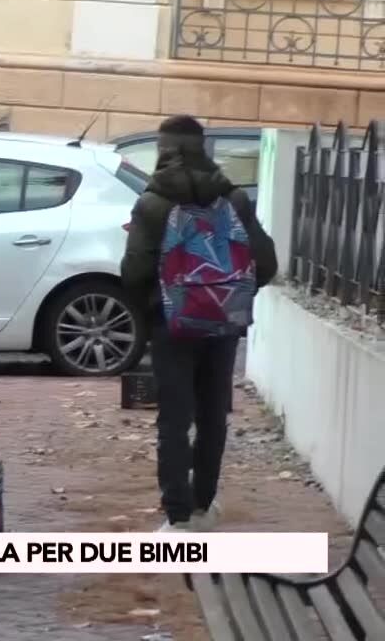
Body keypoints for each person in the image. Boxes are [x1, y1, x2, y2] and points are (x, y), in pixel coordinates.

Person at [120, 115, 277, 533]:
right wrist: (231, 296)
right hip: (223, 323)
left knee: (173, 419)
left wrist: (156, 306)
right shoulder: (234, 199)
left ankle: (177, 514)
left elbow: (133, 273)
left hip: (171, 325)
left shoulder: (152, 203)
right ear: (203, 148)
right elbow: (267, 263)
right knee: (212, 414)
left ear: (163, 149)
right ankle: (204, 505)